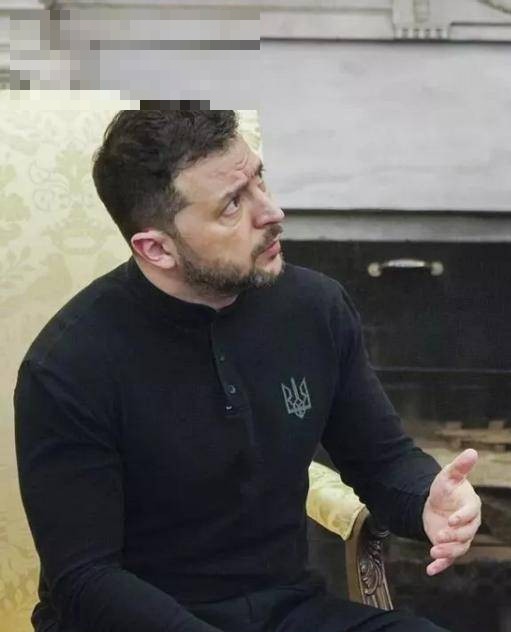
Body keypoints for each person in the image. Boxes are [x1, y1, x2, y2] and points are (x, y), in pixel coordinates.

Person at [15, 108, 482, 632]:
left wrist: (428, 500)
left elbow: (382, 459)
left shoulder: (315, 308)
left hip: (286, 609)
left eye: (259, 180)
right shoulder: (68, 366)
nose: (272, 212)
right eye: (232, 205)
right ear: (157, 248)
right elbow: (86, 579)